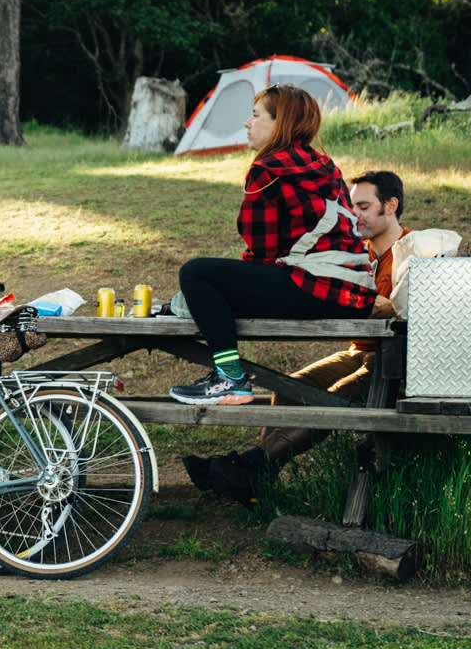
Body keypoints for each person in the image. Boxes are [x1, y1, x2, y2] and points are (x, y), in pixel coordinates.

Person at [184, 169, 405, 495]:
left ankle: (249, 466)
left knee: (337, 397)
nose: (354, 214)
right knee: (292, 386)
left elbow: (397, 311)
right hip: (359, 350)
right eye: (352, 206)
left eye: (364, 206)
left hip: (393, 361)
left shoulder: (411, 250)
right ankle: (258, 476)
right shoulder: (355, 255)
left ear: (391, 205)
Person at [169, 85, 375, 407]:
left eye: (255, 116)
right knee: (213, 285)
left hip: (315, 287)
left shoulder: (267, 170)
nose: (247, 124)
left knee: (196, 274)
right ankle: (228, 374)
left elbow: (262, 256)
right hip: (354, 294)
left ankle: (230, 378)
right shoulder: (325, 165)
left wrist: (222, 292)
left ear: (280, 124)